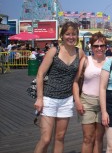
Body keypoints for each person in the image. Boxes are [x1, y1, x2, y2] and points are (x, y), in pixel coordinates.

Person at [34, 21, 85, 153]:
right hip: (49, 98)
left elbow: (86, 71)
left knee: (60, 137)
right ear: (62, 36)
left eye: (74, 34)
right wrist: (39, 98)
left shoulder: (80, 53)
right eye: (68, 34)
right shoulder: (54, 51)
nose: (71, 37)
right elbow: (40, 74)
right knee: (45, 139)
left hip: (66, 100)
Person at [73, 32, 107, 153]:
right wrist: (77, 101)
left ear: (105, 47)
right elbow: (76, 82)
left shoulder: (110, 61)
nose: (99, 48)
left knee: (99, 138)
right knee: (88, 138)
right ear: (91, 47)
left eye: (102, 45)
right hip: (87, 101)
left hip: (104, 104)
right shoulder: (86, 60)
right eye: (96, 46)